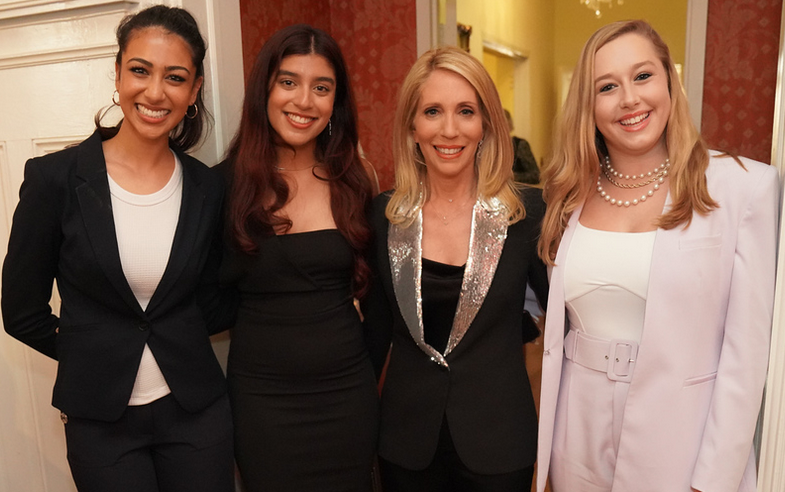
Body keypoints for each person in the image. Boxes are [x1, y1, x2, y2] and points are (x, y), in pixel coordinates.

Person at [536, 20, 778, 492]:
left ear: (670, 79)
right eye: (607, 86)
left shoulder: (742, 188)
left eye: (643, 76)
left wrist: (713, 479)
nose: (629, 99)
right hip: (577, 435)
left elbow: (745, 358)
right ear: (589, 105)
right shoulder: (568, 195)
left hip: (682, 444)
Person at [1, 6, 234, 492]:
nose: (154, 92)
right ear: (118, 72)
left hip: (197, 415)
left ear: (193, 91)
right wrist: (96, 353)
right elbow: (21, 311)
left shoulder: (207, 188)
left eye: (175, 77)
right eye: (140, 70)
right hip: (100, 425)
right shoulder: (54, 179)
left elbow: (212, 299)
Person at [361, 45, 549, 491]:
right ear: (412, 125)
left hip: (500, 444)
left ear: (485, 124)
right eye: (432, 111)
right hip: (406, 444)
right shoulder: (384, 215)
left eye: (465, 111)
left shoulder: (527, 214)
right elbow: (375, 333)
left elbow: (564, 324)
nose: (449, 129)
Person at [219, 24, 379, 491]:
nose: (304, 101)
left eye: (321, 87)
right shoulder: (224, 186)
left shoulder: (355, 178)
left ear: (335, 103)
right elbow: (204, 295)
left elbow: (378, 296)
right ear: (264, 89)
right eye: (289, 82)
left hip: (347, 397)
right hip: (262, 403)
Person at [504, 109, 540, 184]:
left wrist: (511, 176)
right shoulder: (485, 147)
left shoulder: (520, 145)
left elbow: (535, 175)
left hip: (517, 192)